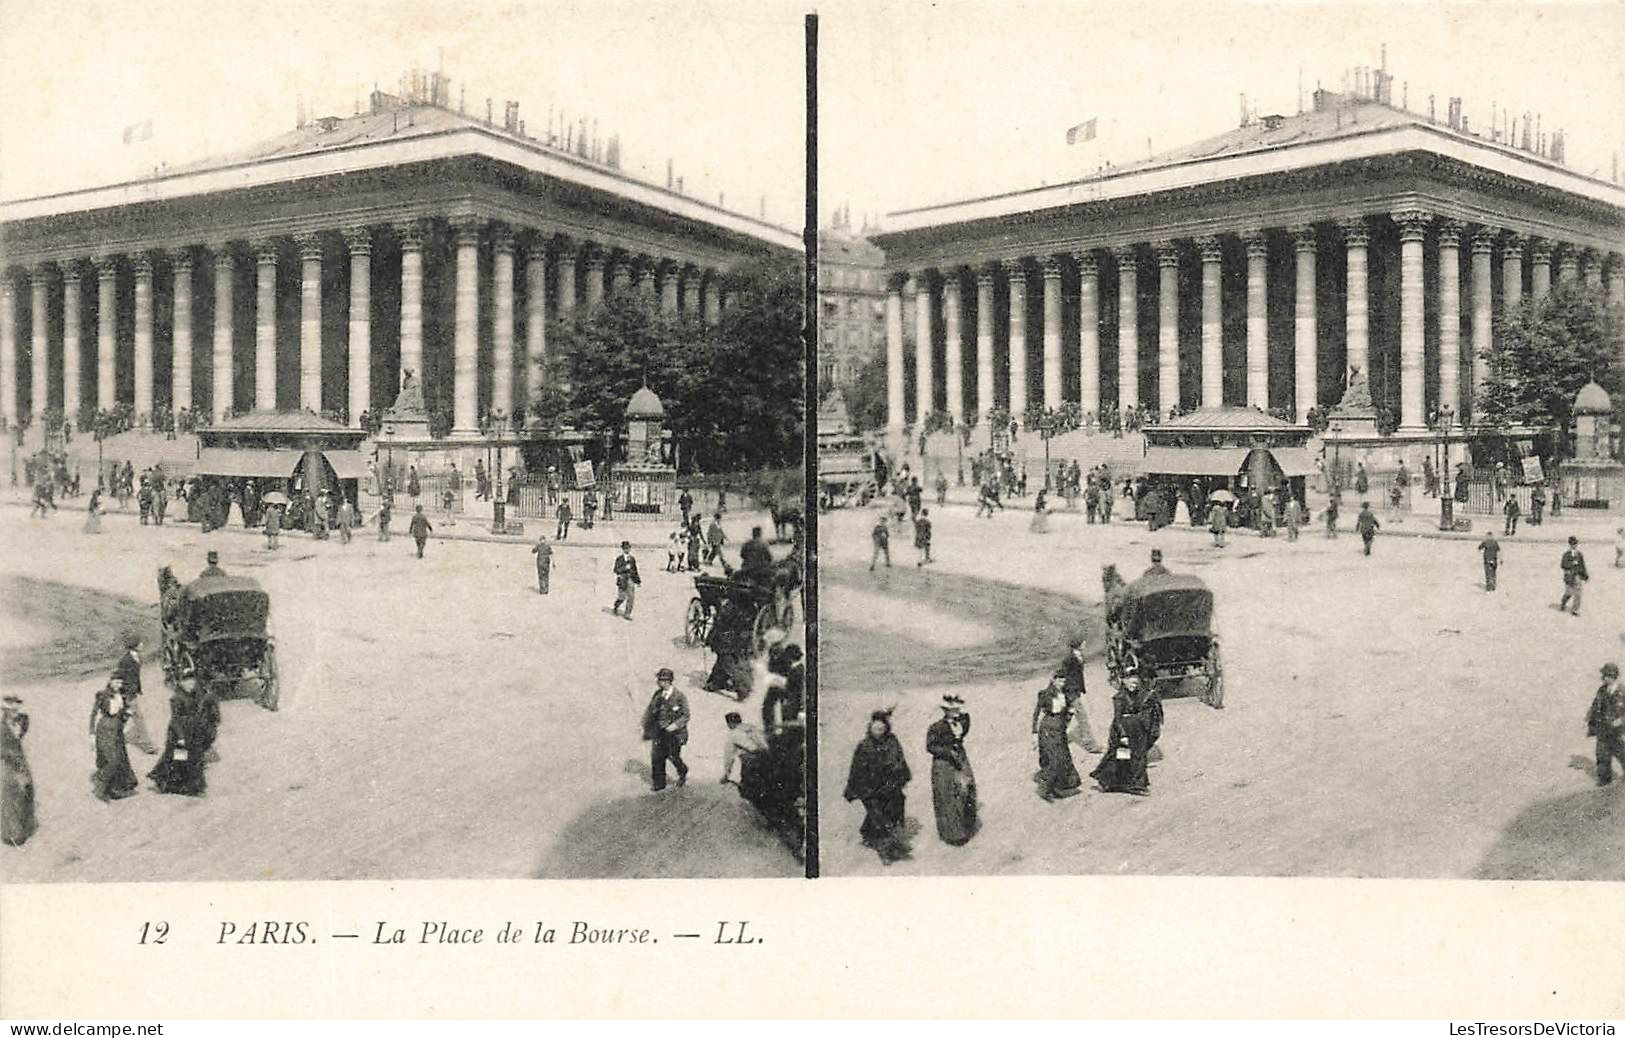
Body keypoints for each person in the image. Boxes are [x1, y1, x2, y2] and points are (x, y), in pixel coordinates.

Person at [843, 710, 912, 865]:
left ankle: (867, 833)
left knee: (893, 810)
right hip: (870, 789)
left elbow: (900, 760)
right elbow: (857, 770)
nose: (879, 732)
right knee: (879, 816)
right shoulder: (864, 746)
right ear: (870, 728)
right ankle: (885, 852)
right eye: (876, 729)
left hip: (890, 786)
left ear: (886, 728)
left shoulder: (893, 741)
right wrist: (860, 790)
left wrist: (900, 776)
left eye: (882, 729)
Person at [147, 670, 217, 797]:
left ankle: (194, 787)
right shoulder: (176, 698)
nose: (192, 685)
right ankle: (165, 782)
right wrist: (180, 737)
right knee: (177, 759)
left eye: (193, 682)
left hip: (192, 731)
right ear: (181, 683)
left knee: (193, 758)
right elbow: (175, 719)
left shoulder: (193, 694)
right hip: (179, 734)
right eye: (188, 682)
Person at [1091, 677, 1164, 796]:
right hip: (1123, 731)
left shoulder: (1136, 694)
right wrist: (1123, 735)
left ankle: (1133, 784)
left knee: (1136, 756)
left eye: (1136, 683)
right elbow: (1118, 719)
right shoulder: (1119, 698)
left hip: (1135, 731)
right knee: (1121, 756)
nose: (1134, 686)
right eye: (1131, 683)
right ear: (1124, 681)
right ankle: (1111, 782)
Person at [926, 695, 978, 845]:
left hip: (960, 758)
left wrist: (961, 708)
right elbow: (930, 746)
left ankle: (966, 827)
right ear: (945, 711)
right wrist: (948, 752)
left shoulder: (961, 722)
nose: (956, 711)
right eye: (951, 709)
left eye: (956, 708)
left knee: (967, 789)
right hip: (943, 763)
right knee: (947, 795)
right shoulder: (936, 727)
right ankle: (953, 835)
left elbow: (966, 721)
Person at [1033, 673, 1083, 801]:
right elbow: (1037, 714)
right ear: (1053, 680)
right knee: (1055, 758)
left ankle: (1060, 787)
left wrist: (1069, 716)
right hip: (1048, 729)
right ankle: (1045, 789)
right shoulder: (1045, 694)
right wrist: (1034, 733)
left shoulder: (1065, 695)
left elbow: (1067, 714)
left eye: (1063, 681)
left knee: (1063, 757)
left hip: (1060, 729)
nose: (1062, 683)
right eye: (1059, 681)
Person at [640, 668, 689, 791]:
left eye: (661, 680)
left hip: (675, 733)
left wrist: (674, 725)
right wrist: (646, 726)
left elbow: (686, 715)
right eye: (659, 679)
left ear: (668, 681)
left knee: (673, 756)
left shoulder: (679, 696)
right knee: (657, 757)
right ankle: (659, 783)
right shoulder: (657, 694)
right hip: (659, 731)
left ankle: (682, 770)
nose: (658, 682)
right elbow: (650, 711)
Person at [90, 677, 138, 802]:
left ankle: (115, 790)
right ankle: (100, 788)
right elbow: (94, 714)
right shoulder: (103, 695)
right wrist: (91, 734)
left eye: (121, 682)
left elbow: (123, 716)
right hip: (105, 730)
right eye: (116, 682)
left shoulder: (122, 696)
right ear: (110, 682)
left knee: (121, 759)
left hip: (117, 731)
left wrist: (127, 714)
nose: (118, 684)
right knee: (112, 760)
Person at [112, 632, 157, 755]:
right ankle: (148, 746)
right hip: (127, 695)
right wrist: (121, 695)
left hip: (132, 693)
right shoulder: (125, 660)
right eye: (139, 642)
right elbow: (117, 677)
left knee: (124, 718)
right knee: (138, 719)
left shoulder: (137, 657)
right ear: (134, 645)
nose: (142, 644)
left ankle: (115, 738)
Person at [2, 695, 37, 846]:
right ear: (5, 711)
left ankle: (24, 827)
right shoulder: (2, 727)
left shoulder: (22, 721)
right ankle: (12, 834)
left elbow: (25, 724)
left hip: (20, 759)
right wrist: (10, 755)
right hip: (6, 763)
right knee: (10, 794)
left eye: (16, 708)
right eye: (11, 709)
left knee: (27, 790)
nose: (15, 711)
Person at [1586, 663, 1625, 786]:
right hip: (1603, 728)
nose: (1603, 678)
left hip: (1617, 730)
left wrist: (1622, 720)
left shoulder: (1622, 691)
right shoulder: (1602, 690)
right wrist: (1586, 719)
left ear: (1612, 676)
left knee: (1621, 753)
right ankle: (1604, 781)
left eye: (1605, 676)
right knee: (1601, 754)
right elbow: (1594, 705)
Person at [721, 711, 769, 795]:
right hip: (766, 756)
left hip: (750, 761)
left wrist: (726, 773)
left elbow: (729, 756)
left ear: (729, 723)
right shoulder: (753, 728)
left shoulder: (733, 734)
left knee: (748, 789)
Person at [1559, 536, 1588, 616]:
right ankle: (1563, 602)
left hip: (1577, 576)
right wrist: (1571, 564)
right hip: (1569, 576)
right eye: (1572, 544)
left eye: (1575, 543)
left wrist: (1585, 575)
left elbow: (1582, 565)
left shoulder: (1579, 554)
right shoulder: (1566, 554)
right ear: (1569, 544)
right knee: (1569, 593)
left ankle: (1575, 610)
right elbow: (1563, 565)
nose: (1574, 545)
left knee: (1578, 593)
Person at [612, 541, 640, 620]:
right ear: (623, 549)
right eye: (625, 548)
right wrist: (624, 568)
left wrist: (638, 581)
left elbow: (635, 570)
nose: (627, 550)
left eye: (628, 548)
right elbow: (616, 570)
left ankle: (627, 614)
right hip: (622, 580)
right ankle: (616, 605)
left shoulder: (632, 558)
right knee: (622, 597)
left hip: (630, 579)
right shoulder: (619, 559)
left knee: (631, 597)